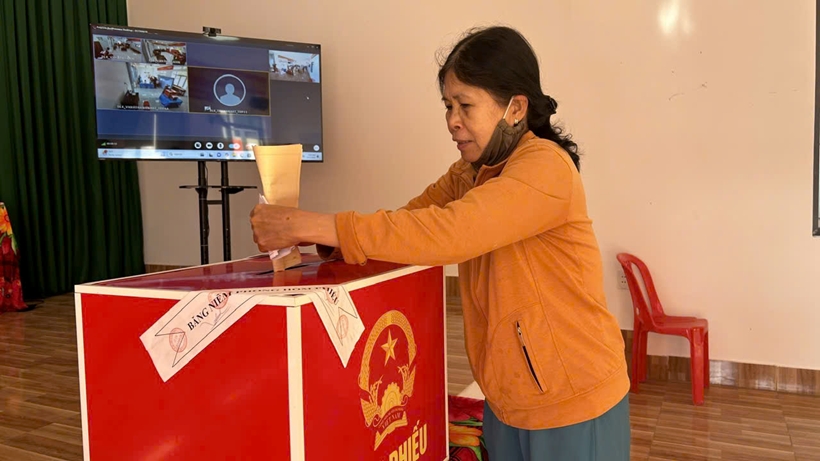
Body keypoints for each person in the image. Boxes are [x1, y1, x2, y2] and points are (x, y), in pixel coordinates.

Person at [250, 26, 631, 460]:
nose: (452, 120)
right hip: (508, 397)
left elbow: (451, 232)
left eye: (465, 105)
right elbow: (409, 224)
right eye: (448, 106)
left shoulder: (546, 167)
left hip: (574, 400)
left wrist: (312, 224)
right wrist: (324, 241)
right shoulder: (471, 172)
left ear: (515, 108)